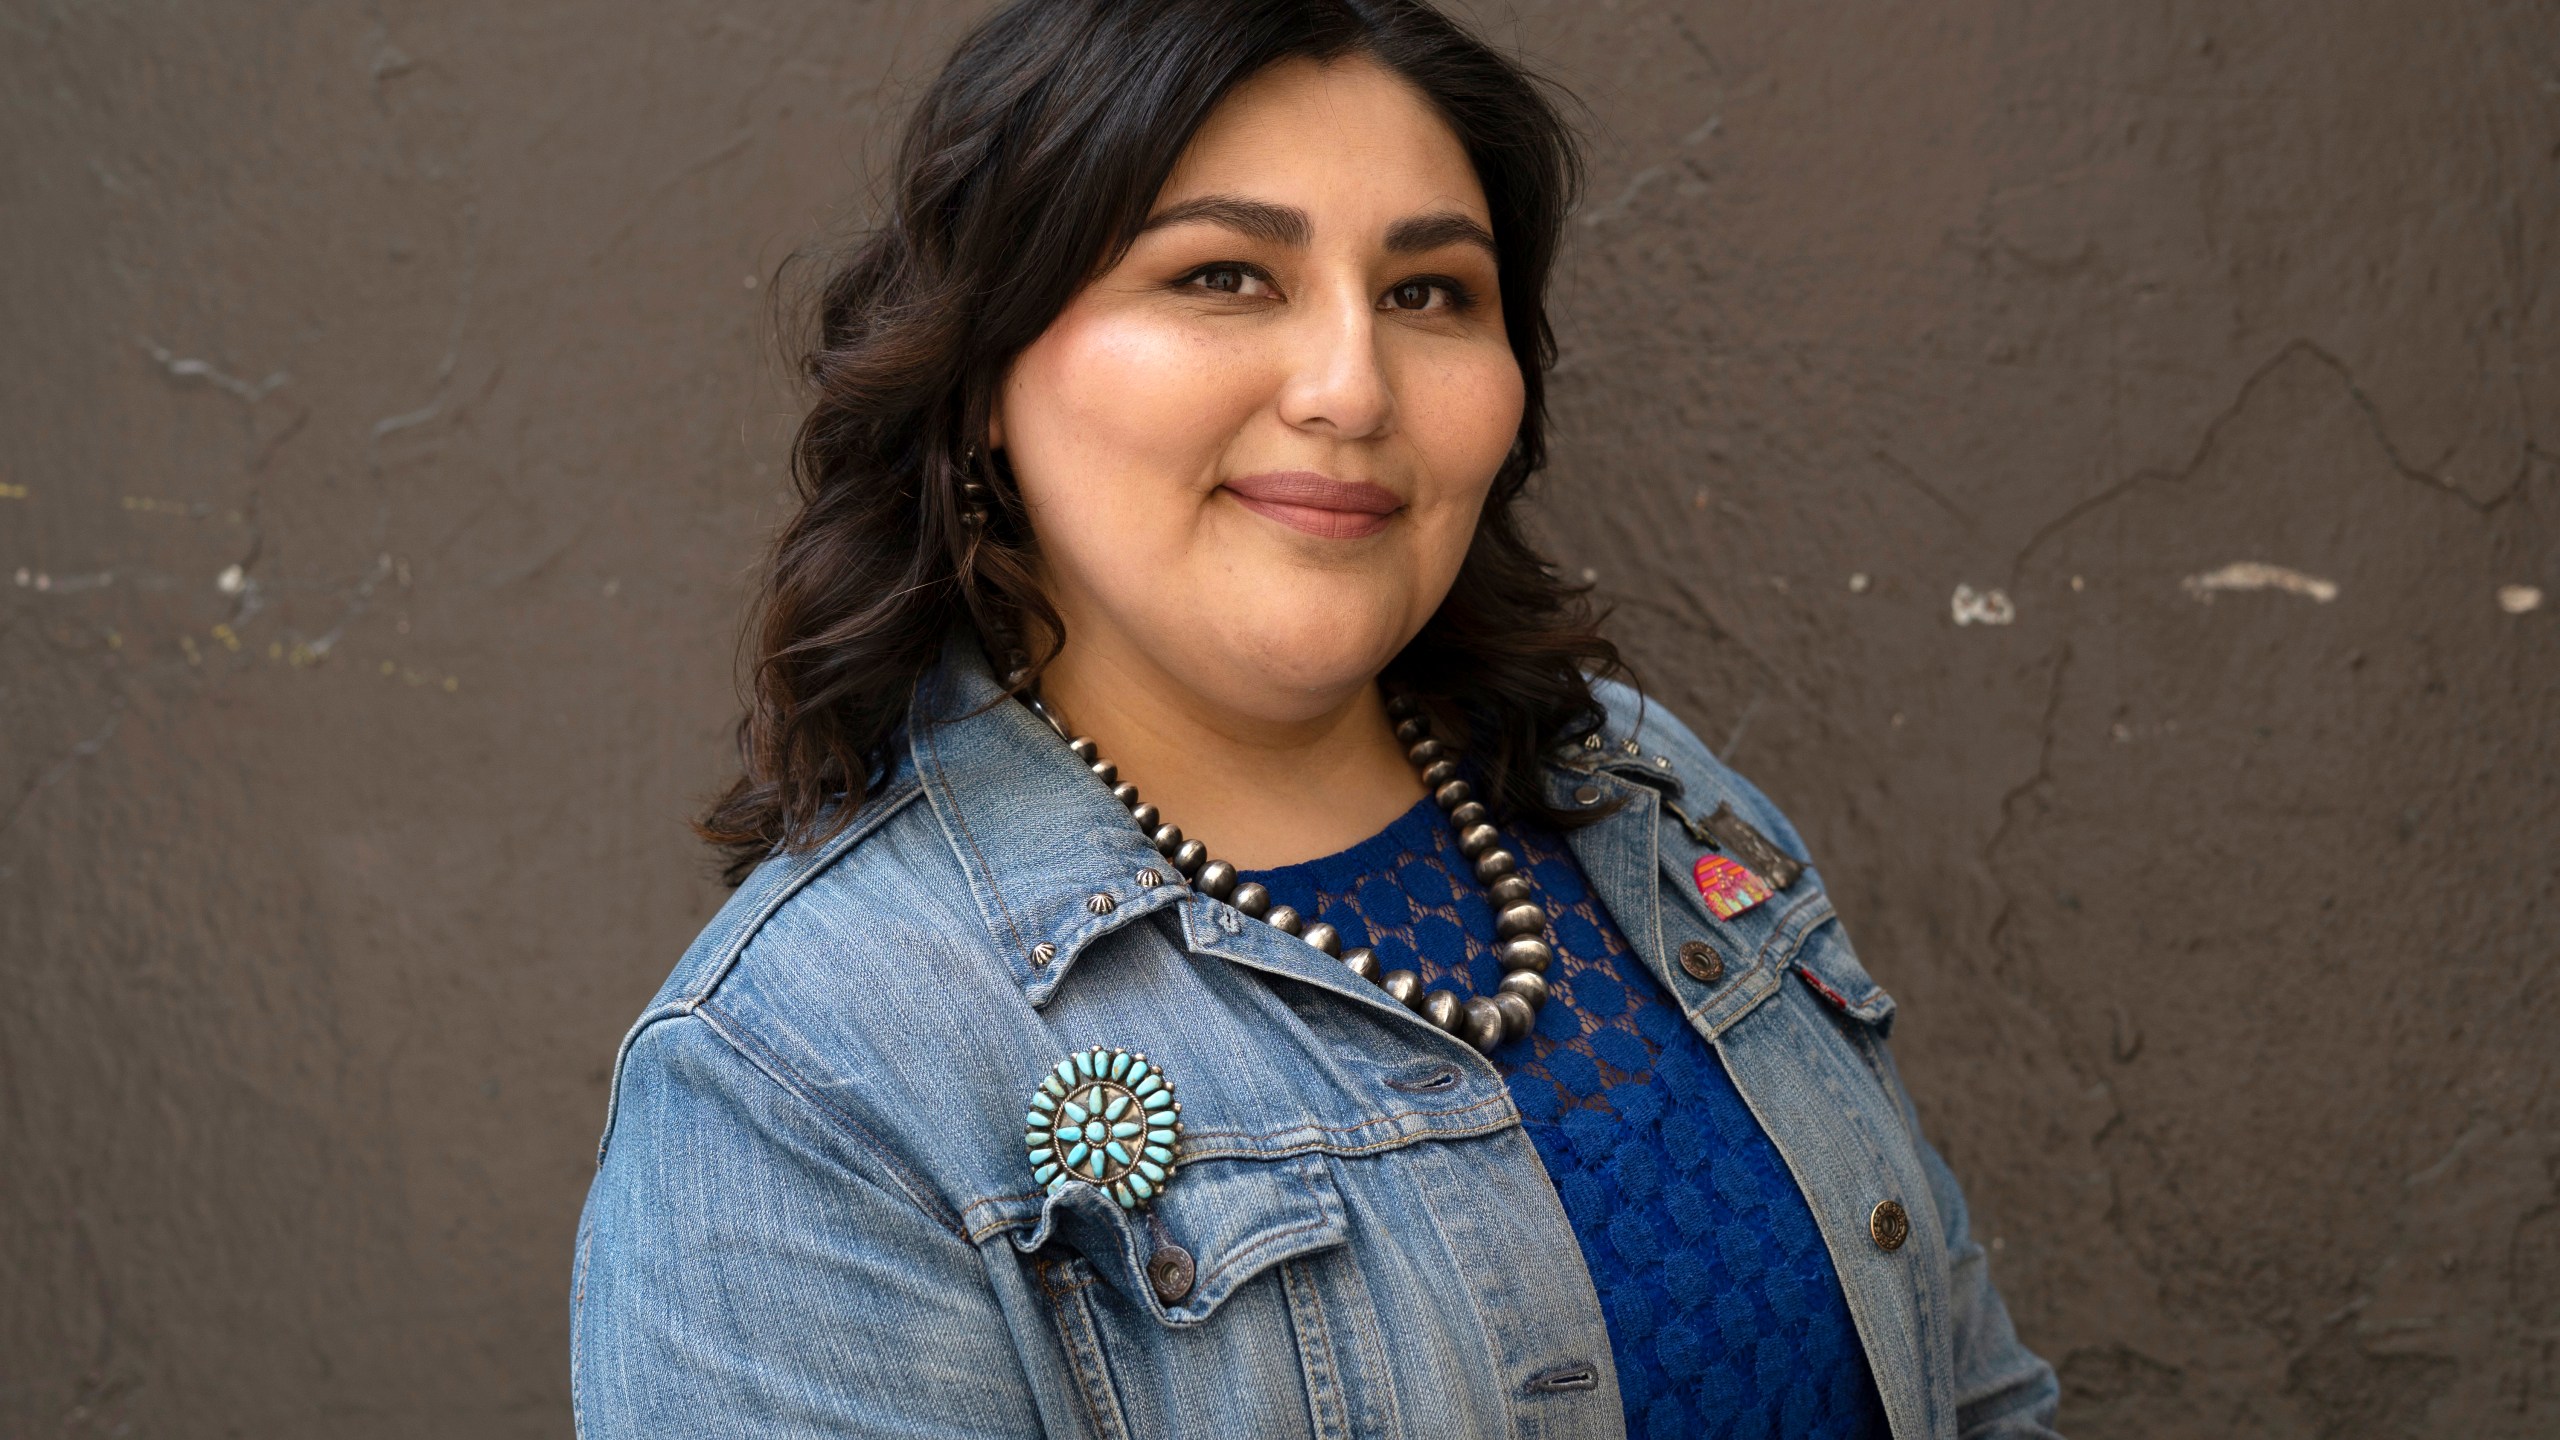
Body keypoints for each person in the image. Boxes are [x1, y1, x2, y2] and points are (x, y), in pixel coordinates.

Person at [571, 1, 2060, 1435]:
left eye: (1428, 293)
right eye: (1222, 276)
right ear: (984, 380)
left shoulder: (1641, 791)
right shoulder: (803, 1078)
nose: (1352, 387)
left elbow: (1974, 1396)